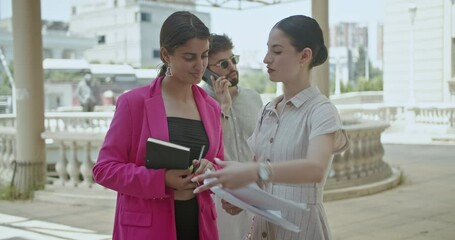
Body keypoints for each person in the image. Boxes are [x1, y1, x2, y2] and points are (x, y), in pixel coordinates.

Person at [192, 15, 350, 240]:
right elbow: (259, 177)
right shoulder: (267, 110)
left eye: (276, 51)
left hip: (302, 230)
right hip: (263, 230)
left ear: (305, 56)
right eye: (268, 50)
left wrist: (252, 171)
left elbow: (315, 169)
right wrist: (241, 196)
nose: (266, 59)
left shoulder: (321, 110)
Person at [92, 11, 224, 240]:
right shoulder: (134, 103)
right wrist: (160, 179)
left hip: (199, 223)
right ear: (166, 54)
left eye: (204, 55)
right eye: (189, 57)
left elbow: (220, 164)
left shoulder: (211, 107)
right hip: (147, 227)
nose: (200, 65)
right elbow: (104, 170)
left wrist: (210, 170)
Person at [201, 34, 263, 240]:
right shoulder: (198, 102)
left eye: (233, 60)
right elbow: (207, 148)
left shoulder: (254, 98)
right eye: (224, 63)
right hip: (220, 202)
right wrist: (223, 106)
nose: (232, 67)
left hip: (255, 196)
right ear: (206, 70)